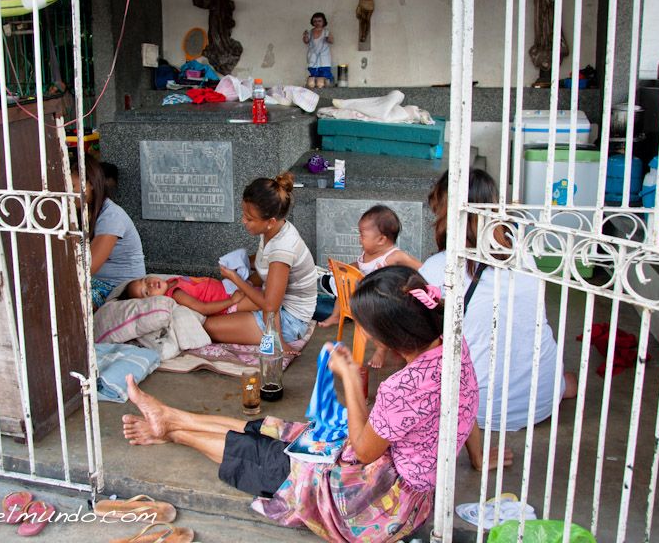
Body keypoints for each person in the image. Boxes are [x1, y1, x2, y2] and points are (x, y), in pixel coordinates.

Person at [121, 266, 479, 541]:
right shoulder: (452, 345)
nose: (363, 334)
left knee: (276, 462)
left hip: (382, 505)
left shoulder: (402, 388)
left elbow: (365, 451)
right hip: (398, 476)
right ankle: (170, 416)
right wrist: (478, 458)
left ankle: (172, 430)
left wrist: (351, 385)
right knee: (287, 432)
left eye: (366, 328)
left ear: (394, 337)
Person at [420, 169, 578, 469]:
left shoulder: (438, 268)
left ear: (445, 213)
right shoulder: (525, 256)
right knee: (562, 376)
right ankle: (554, 386)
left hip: (477, 413)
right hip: (542, 402)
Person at [208, 172, 316, 353]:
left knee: (208, 326)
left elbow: (270, 306)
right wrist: (246, 277)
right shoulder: (273, 231)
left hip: (289, 321)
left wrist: (236, 279)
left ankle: (278, 341)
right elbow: (266, 270)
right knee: (216, 308)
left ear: (270, 221)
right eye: (244, 214)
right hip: (275, 310)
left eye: (249, 219)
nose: (243, 221)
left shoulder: (283, 249)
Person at [319, 205, 422, 368]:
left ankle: (381, 349)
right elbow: (358, 266)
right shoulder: (367, 254)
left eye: (362, 235)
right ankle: (336, 314)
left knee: (369, 327)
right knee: (343, 283)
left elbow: (422, 268)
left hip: (387, 303)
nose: (359, 238)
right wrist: (344, 268)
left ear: (381, 239)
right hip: (368, 300)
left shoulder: (394, 256)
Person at [71, 155, 145, 310]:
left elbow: (88, 266)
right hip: (95, 282)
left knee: (70, 302)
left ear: (90, 184)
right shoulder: (81, 213)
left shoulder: (111, 216)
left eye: (72, 187)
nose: (68, 194)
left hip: (117, 288)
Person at [121, 274, 254, 317]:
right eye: (146, 292)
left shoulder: (169, 282)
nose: (149, 285)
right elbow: (203, 308)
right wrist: (232, 301)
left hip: (228, 289)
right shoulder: (175, 294)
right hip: (228, 302)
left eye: (144, 281)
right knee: (265, 302)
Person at [301, 12, 334, 89]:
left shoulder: (326, 32)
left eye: (319, 21)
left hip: (324, 57)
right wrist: (305, 36)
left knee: (324, 75)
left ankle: (324, 86)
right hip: (313, 57)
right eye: (315, 21)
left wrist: (328, 38)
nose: (317, 23)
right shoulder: (310, 32)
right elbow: (306, 41)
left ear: (323, 22)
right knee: (313, 76)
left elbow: (331, 41)